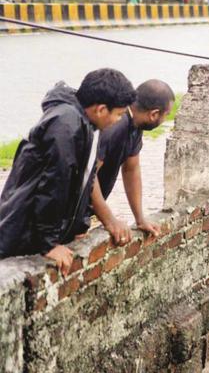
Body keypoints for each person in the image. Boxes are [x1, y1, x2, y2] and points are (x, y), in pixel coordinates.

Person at [0, 69, 136, 273]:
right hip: (22, 227)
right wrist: (49, 244)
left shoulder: (85, 124)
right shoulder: (66, 124)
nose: (118, 121)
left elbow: (84, 180)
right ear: (100, 109)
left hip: (36, 230)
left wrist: (79, 226)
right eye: (118, 115)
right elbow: (54, 184)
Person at [90, 79, 175, 246]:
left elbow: (131, 169)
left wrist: (140, 218)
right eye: (166, 115)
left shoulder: (135, 126)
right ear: (154, 114)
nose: (165, 120)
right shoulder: (115, 126)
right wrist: (109, 220)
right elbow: (88, 177)